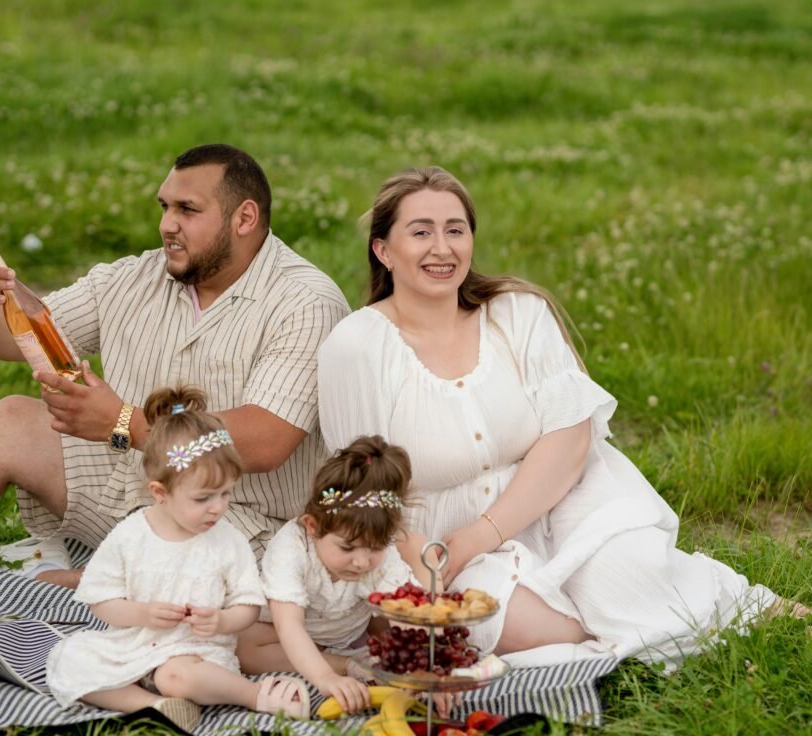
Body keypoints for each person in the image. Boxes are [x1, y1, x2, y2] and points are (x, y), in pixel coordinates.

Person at [317, 166, 805, 669]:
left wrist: (486, 532)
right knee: (505, 623)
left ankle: (716, 601)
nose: (442, 248)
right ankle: (629, 629)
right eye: (421, 232)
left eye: (455, 230)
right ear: (383, 250)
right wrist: (423, 568)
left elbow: (569, 437)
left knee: (627, 578)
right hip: (436, 544)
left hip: (555, 500)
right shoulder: (357, 347)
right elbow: (362, 486)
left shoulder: (516, 313)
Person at [0, 144, 350, 586]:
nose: (167, 224)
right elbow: (17, 340)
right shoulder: (136, 276)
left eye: (187, 210)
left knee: (206, 589)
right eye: (164, 207)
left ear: (244, 218)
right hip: (130, 485)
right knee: (11, 421)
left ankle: (86, 582)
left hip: (237, 526)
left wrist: (125, 422)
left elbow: (265, 440)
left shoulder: (305, 301)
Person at [46, 385, 311, 732]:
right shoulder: (131, 534)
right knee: (70, 659)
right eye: (203, 498)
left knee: (176, 676)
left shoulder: (227, 540)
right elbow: (101, 601)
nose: (217, 507)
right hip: (134, 645)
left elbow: (248, 605)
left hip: (196, 653)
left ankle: (256, 695)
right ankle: (154, 707)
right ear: (161, 492)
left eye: (225, 493)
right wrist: (142, 613)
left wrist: (221, 621)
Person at [237, 435, 426, 715]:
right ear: (313, 527)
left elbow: (410, 614)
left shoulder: (379, 557)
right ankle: (343, 663)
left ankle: (376, 657)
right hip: (297, 630)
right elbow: (289, 626)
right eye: (347, 547)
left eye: (374, 548)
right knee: (244, 647)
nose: (361, 561)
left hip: (353, 625)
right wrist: (326, 678)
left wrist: (426, 668)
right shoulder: (292, 547)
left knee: (410, 621)